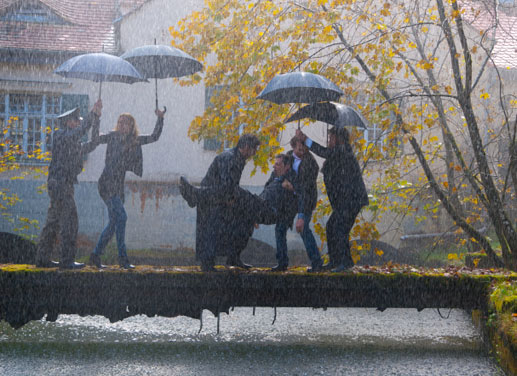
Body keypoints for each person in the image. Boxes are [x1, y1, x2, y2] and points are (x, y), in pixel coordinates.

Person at [180, 153, 296, 271]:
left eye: (278, 164)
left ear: (287, 166)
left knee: (235, 191)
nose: (274, 166)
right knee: (239, 220)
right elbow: (266, 192)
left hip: (272, 211)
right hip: (261, 206)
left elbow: (297, 192)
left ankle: (196, 195)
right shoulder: (274, 177)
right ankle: (233, 257)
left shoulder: (290, 177)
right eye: (274, 164)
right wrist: (255, 212)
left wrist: (291, 189)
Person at [89, 108, 166, 269]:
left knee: (113, 223)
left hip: (118, 185)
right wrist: (96, 117)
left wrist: (160, 119)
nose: (122, 125)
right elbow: (95, 138)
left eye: (126, 123)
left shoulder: (135, 140)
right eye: (120, 122)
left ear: (132, 126)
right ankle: (122, 258)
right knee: (121, 218)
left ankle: (95, 255)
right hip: (106, 183)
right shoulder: (112, 137)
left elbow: (154, 137)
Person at [35, 100, 102, 269]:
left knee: (53, 221)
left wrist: (97, 119)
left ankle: (42, 258)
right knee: (70, 222)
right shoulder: (60, 135)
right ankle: (66, 260)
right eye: (76, 120)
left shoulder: (73, 143)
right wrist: (92, 114)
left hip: (60, 184)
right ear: (68, 122)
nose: (79, 123)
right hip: (60, 185)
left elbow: (93, 143)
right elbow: (80, 132)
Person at [179, 134, 260, 272]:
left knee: (240, 223)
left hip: (218, 197)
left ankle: (195, 194)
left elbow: (230, 185)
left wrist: (233, 198)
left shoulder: (237, 158)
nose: (255, 153)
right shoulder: (229, 158)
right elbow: (226, 184)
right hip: (213, 201)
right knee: (211, 230)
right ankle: (209, 263)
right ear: (246, 147)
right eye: (254, 149)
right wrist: (231, 198)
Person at [296, 127, 369, 272]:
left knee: (339, 228)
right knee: (333, 227)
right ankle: (339, 261)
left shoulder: (342, 151)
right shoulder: (339, 153)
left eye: (331, 138)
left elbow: (323, 152)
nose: (329, 141)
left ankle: (342, 262)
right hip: (345, 201)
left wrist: (305, 139)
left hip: (350, 201)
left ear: (338, 139)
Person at [272, 135, 323, 272]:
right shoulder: (286, 158)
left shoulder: (311, 163)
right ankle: (282, 262)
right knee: (280, 228)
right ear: (293, 146)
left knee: (303, 229)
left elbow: (305, 188)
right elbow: (276, 175)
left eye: (305, 148)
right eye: (299, 148)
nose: (302, 150)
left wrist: (300, 215)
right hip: (289, 201)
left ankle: (316, 263)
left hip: (305, 199)